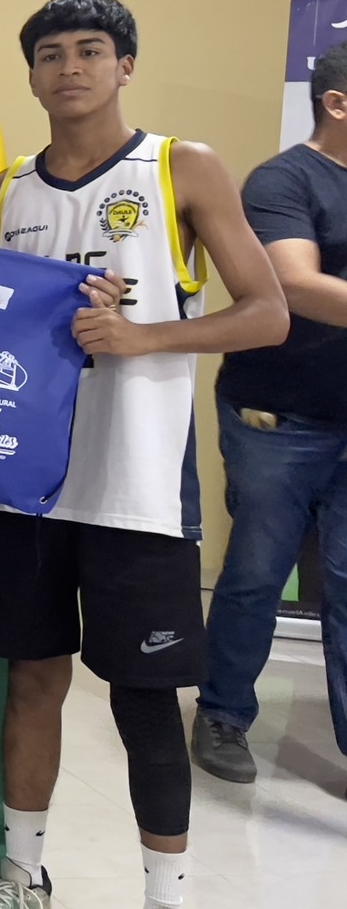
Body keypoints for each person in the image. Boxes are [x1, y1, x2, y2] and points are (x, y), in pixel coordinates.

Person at [0, 0, 288, 909]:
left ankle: (165, 895)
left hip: (135, 485)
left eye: (90, 50)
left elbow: (268, 313)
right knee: (31, 680)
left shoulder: (183, 166)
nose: (70, 67)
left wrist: (143, 337)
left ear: (125, 65)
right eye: (51, 54)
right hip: (27, 487)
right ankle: (22, 874)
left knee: (144, 698)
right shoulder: (4, 191)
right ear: (31, 75)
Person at [194, 40, 347, 783]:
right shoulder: (283, 181)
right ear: (337, 104)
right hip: (277, 416)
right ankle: (223, 714)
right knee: (259, 571)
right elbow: (295, 284)